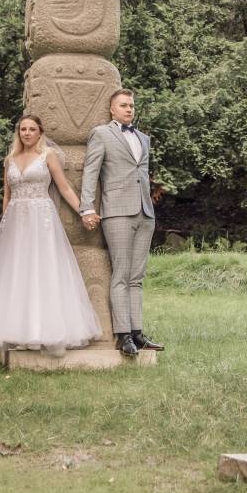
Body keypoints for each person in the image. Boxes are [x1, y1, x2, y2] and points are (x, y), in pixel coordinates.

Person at [0, 115, 102, 357]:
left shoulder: (47, 156)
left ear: (40, 132)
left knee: (42, 270)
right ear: (18, 132)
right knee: (17, 272)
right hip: (16, 221)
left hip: (41, 219)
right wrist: (5, 223)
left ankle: (43, 331)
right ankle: (19, 332)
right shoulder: (10, 159)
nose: (27, 133)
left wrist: (85, 211)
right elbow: (6, 195)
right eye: (23, 129)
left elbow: (64, 188)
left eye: (32, 129)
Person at [80, 89, 166, 358]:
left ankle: (138, 333)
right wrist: (87, 208)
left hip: (145, 212)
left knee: (137, 277)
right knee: (121, 274)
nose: (129, 109)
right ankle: (123, 335)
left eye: (131, 105)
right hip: (117, 211)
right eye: (123, 105)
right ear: (112, 109)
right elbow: (91, 172)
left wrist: (149, 206)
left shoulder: (143, 138)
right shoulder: (101, 134)